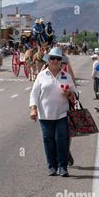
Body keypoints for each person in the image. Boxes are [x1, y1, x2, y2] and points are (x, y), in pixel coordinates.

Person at [30, 47, 78, 177]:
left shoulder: (66, 76)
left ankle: (63, 167)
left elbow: (76, 94)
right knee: (48, 140)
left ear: (61, 61)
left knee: (62, 140)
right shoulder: (41, 75)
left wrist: (69, 93)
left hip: (62, 113)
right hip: (45, 114)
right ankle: (52, 166)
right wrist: (33, 109)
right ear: (48, 60)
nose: (55, 61)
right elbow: (34, 93)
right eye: (53, 58)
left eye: (58, 59)